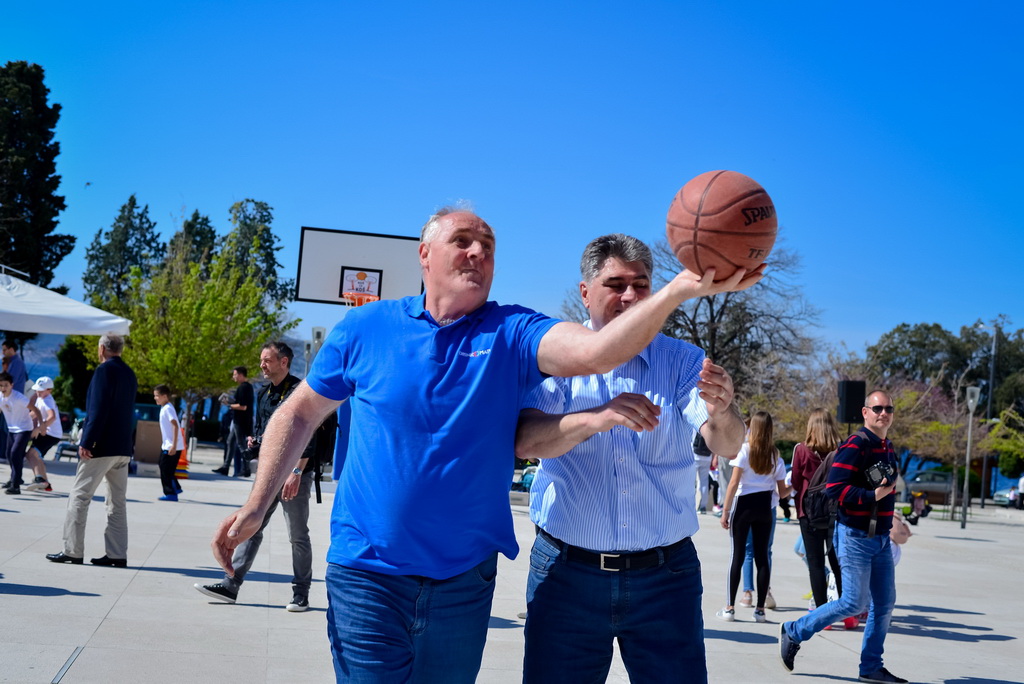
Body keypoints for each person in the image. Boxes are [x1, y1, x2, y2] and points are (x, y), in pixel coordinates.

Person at [209, 208, 763, 683]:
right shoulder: (366, 328)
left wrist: (690, 320)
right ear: (424, 255)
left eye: (489, 247)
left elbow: (614, 366)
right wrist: (256, 504)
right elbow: (299, 412)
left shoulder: (515, 333)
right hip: (379, 570)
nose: (477, 252)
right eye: (463, 242)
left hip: (475, 579)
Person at [515, 234, 746, 683]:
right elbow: (526, 441)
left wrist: (723, 410)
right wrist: (596, 417)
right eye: (615, 283)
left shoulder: (682, 360)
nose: (629, 296)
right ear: (585, 292)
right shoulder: (555, 358)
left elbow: (727, 444)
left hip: (666, 576)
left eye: (640, 285)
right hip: (567, 572)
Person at [780, 390, 906, 684]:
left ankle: (871, 667)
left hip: (880, 538)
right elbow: (834, 488)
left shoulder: (886, 447)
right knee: (852, 602)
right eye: (877, 408)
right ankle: (794, 630)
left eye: (888, 408)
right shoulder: (856, 444)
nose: (883, 413)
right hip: (854, 537)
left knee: (884, 604)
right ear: (865, 412)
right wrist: (870, 495)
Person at [196, 342, 316, 612]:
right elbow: (267, 433)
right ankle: (231, 585)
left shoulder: (299, 391)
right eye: (261, 360)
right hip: (270, 473)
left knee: (297, 535)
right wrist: (256, 442)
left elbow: (310, 434)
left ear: (283, 362)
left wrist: (296, 472)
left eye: (267, 360)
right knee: (252, 528)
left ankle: (301, 594)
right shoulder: (264, 394)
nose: (262, 365)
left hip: (295, 474)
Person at [46, 333, 137, 567]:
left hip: (102, 446)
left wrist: (87, 441)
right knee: (117, 502)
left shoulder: (104, 371)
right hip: (122, 447)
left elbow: (98, 409)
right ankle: (117, 554)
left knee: (79, 495)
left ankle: (72, 550)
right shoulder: (129, 373)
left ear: (102, 349)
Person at [718, 410, 788, 623]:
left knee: (737, 556)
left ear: (753, 429)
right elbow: (782, 492)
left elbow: (733, 483)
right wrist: (796, 485)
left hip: (744, 505)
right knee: (762, 557)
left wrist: (725, 510)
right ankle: (760, 610)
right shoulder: (775, 455)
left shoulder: (744, 451)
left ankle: (730, 608)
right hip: (765, 507)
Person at [791, 408, 844, 611]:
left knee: (815, 564)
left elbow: (796, 482)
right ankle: (845, 610)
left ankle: (822, 613)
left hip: (809, 513)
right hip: (835, 512)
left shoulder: (802, 450)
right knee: (838, 564)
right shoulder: (841, 450)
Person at [214, 366, 254, 477]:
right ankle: (225, 467)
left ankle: (246, 469)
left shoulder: (243, 388)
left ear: (241, 375)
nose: (233, 377)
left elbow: (243, 406)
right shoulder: (248, 387)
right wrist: (232, 402)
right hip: (241, 420)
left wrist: (229, 405)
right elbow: (242, 403)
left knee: (241, 445)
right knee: (230, 442)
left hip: (240, 421)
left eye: (235, 374)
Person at [1, 371, 36, 494]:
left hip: (24, 429)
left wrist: (40, 426)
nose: (3, 388)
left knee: (15, 453)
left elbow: (35, 409)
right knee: (9, 455)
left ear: (12, 385)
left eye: (5, 385)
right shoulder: (1, 396)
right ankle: (15, 479)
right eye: (0, 385)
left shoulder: (19, 398)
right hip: (12, 430)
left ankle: (15, 486)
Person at [24, 376, 60, 492]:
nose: (37, 391)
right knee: (36, 456)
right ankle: (46, 483)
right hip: (50, 434)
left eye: (41, 390)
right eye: (37, 389)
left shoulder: (47, 400)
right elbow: (34, 414)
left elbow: (52, 417)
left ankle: (40, 480)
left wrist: (39, 429)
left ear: (50, 390)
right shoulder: (41, 398)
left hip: (51, 434)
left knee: (31, 454)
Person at [154, 385, 183, 501]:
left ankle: (171, 493)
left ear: (164, 396)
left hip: (171, 446)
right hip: (167, 444)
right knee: (164, 467)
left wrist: (174, 446)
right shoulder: (165, 407)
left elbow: (175, 425)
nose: (155, 398)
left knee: (166, 469)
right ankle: (176, 488)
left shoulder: (168, 408)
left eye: (157, 396)